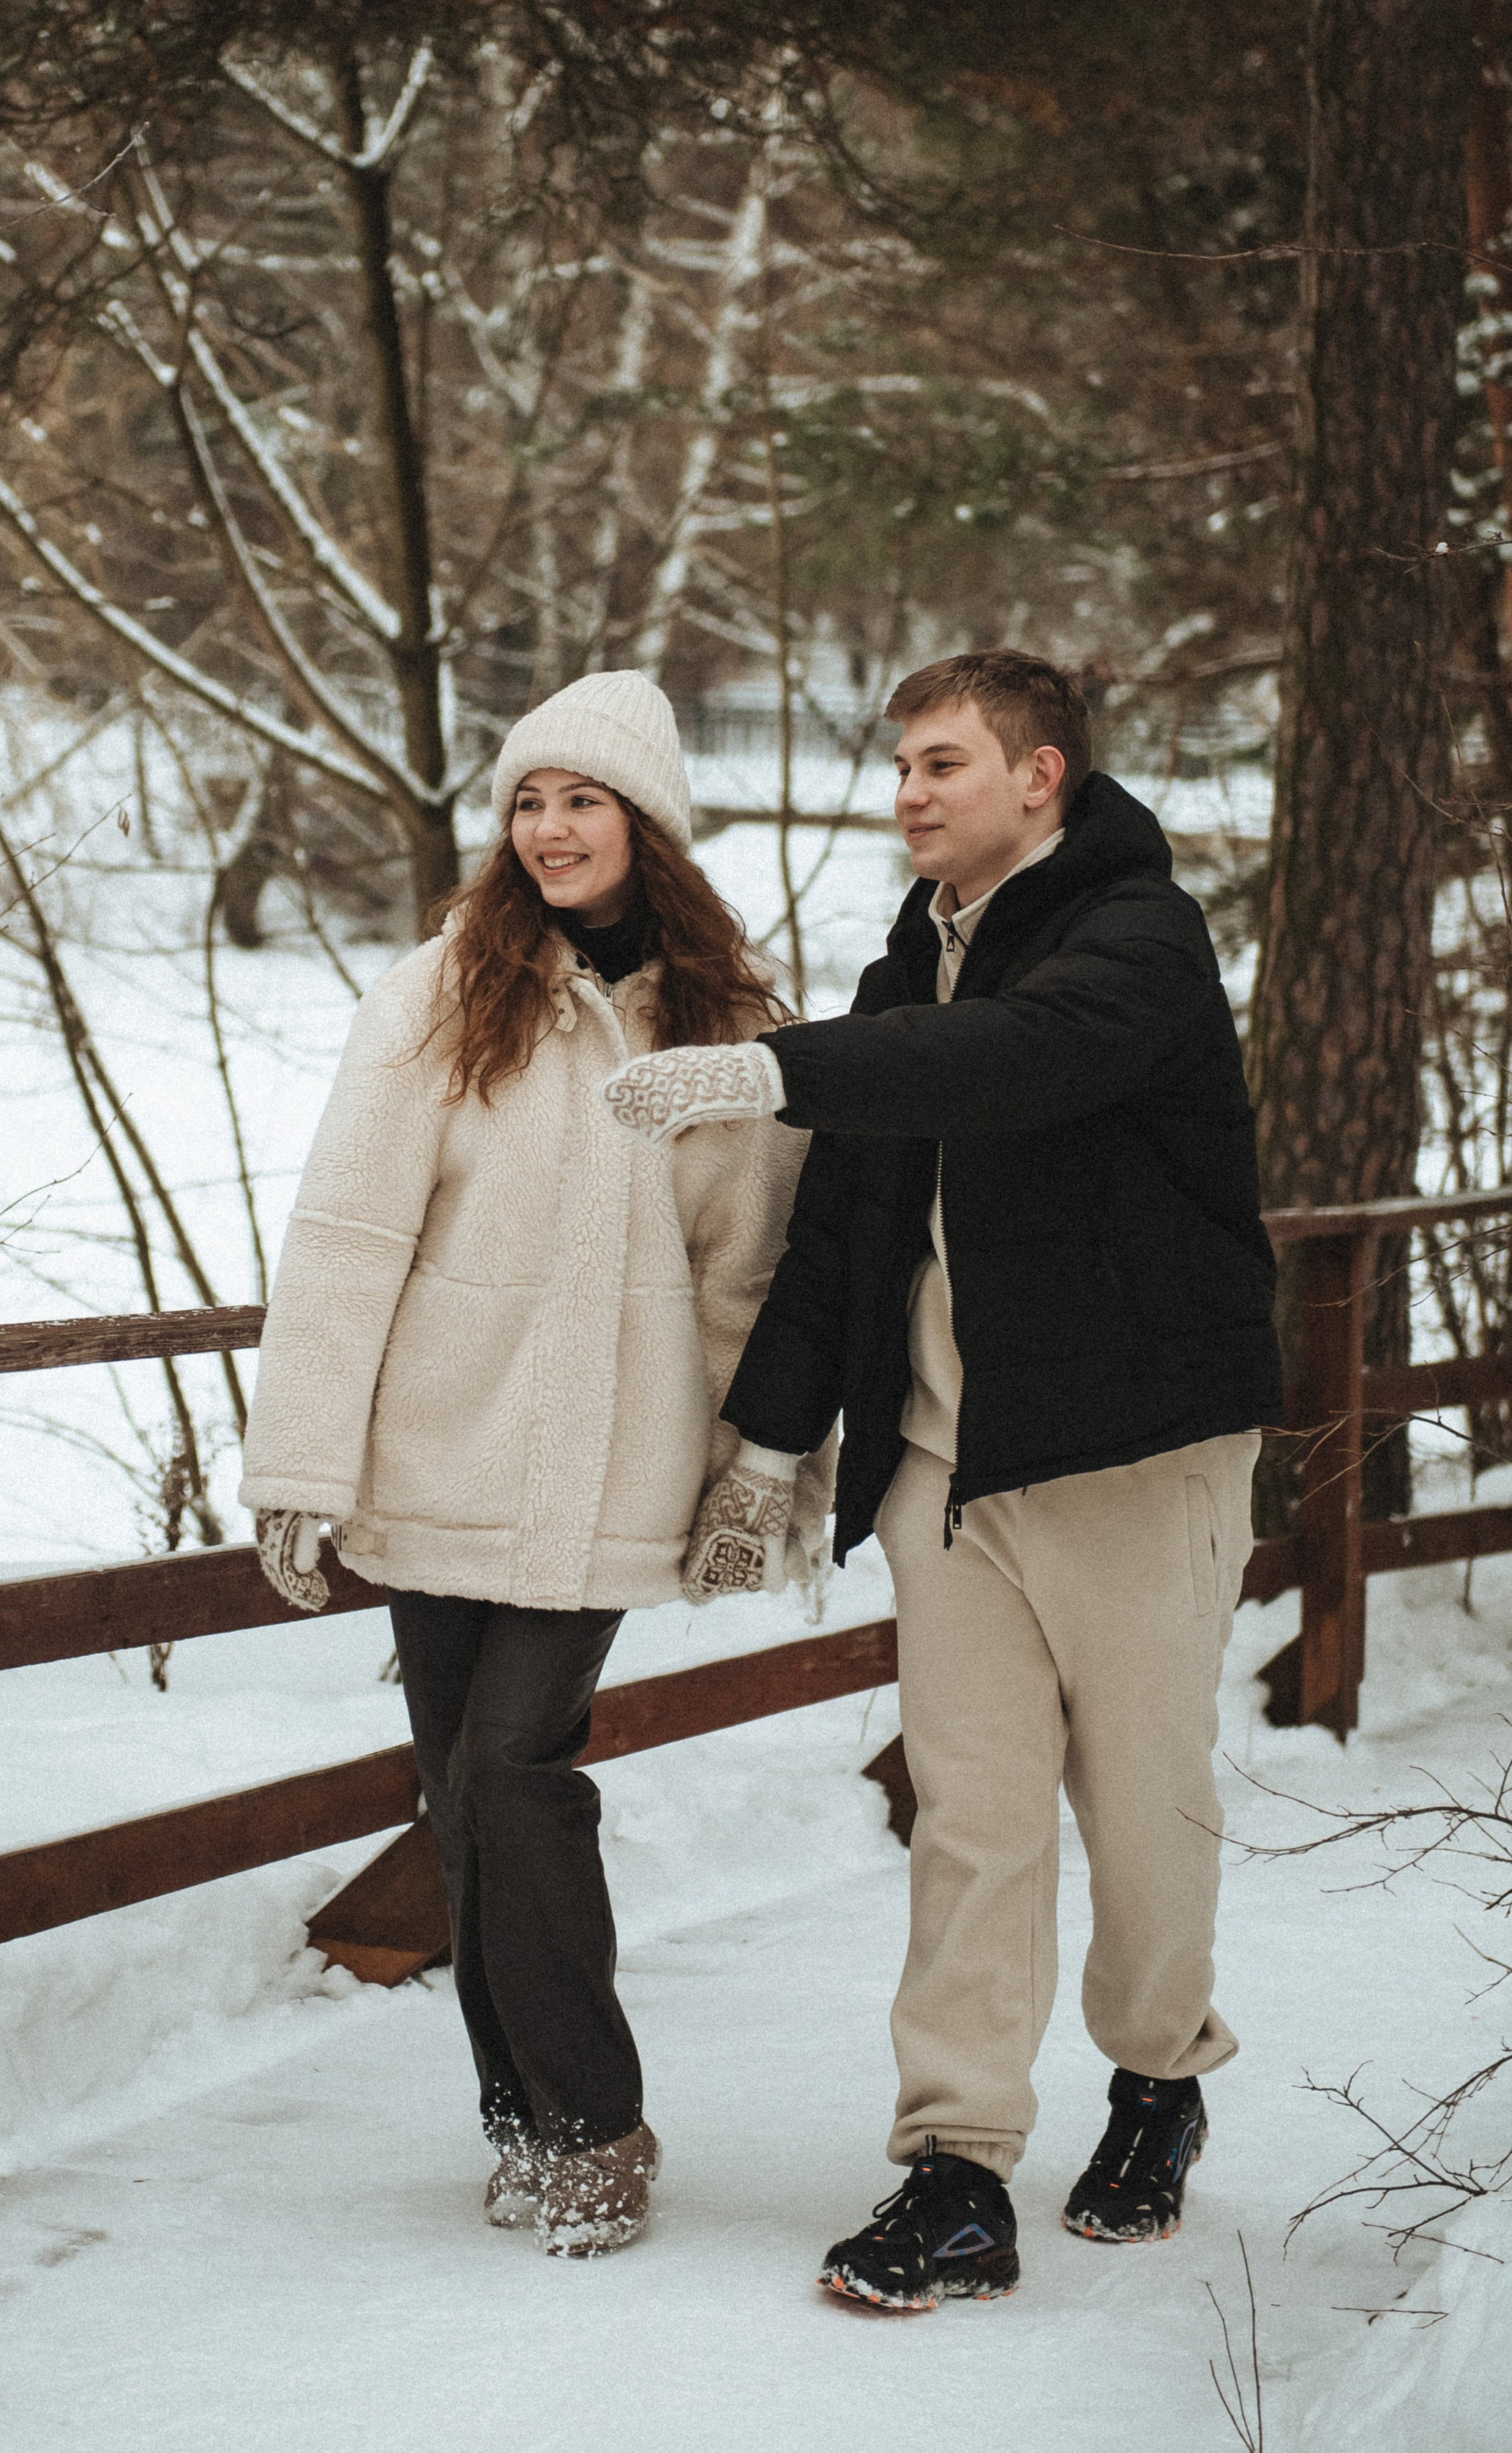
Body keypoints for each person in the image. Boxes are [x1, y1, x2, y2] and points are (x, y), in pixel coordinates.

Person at [600, 648, 1283, 2311]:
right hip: (947, 1476)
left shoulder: (1135, 938)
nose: (906, 793)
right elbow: (844, 1237)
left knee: (1140, 1815)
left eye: (940, 763)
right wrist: (768, 1448)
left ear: (1038, 774)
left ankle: (1155, 2074)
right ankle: (955, 2168)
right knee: (966, 1826)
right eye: (897, 765)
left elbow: (1019, 1060)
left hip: (1131, 1455)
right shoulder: (908, 963)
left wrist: (778, 1068)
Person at [240, 669, 830, 2258]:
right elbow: (349, 1235)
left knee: (512, 1771)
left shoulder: (728, 1028)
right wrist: (301, 1460)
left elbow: (743, 1277)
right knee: (459, 1796)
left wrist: (747, 1475)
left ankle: (591, 2126)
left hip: (615, 1464)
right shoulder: (441, 991)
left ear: (648, 823)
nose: (550, 827)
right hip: (439, 1451)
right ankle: (521, 2119)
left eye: (584, 798)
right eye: (526, 799)